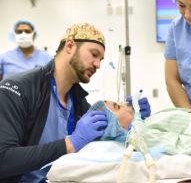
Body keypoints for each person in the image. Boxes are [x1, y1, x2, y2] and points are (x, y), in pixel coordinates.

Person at [0, 23, 151, 183]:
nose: (98, 65)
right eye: (94, 54)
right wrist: (70, 143)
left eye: (100, 59)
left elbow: (108, 144)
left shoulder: (79, 104)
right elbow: (4, 159)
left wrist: (136, 118)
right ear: (70, 46)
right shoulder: (17, 90)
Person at [93, 99, 191, 155]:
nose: (125, 104)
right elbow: (187, 145)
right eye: (117, 106)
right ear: (112, 126)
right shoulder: (139, 136)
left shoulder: (143, 126)